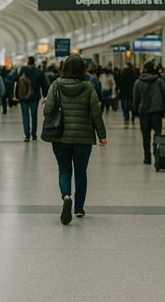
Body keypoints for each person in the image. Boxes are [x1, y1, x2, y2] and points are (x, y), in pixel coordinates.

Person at [42, 55, 106, 224]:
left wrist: (47, 104)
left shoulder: (56, 85)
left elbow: (48, 112)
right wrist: (102, 135)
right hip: (83, 137)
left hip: (60, 136)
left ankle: (66, 196)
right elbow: (96, 113)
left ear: (64, 68)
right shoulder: (88, 86)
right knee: (81, 172)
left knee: (64, 169)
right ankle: (79, 208)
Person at [132, 61, 165, 165]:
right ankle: (157, 156)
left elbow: (135, 98)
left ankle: (147, 157)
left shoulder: (138, 82)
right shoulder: (159, 81)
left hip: (144, 112)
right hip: (157, 111)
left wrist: (134, 111)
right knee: (158, 135)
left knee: (145, 136)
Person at [16, 57, 48, 142]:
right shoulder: (39, 72)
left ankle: (27, 135)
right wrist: (46, 97)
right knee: (34, 115)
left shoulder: (22, 70)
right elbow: (44, 85)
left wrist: (16, 96)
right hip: (34, 97)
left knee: (25, 116)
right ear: (35, 62)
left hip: (23, 97)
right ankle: (34, 134)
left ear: (28, 62)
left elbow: (17, 83)